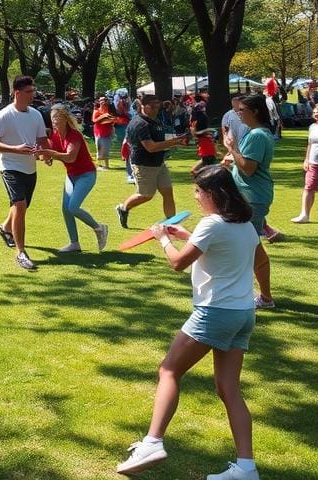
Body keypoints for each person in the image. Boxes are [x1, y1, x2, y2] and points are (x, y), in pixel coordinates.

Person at [116, 166, 261, 480]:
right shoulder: (244, 224)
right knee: (229, 389)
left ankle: (153, 443)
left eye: (198, 191)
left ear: (213, 194)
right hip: (243, 314)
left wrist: (161, 239)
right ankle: (246, 469)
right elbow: (231, 252)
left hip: (215, 313)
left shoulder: (211, 225)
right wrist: (184, 235)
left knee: (169, 370)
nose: (195, 197)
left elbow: (179, 263)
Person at [222, 94, 277, 309]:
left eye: (242, 110)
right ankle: (262, 296)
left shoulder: (256, 135)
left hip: (252, 198)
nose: (238, 114)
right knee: (249, 246)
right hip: (251, 196)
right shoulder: (258, 134)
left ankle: (264, 297)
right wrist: (233, 161)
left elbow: (249, 168)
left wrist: (232, 148)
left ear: (254, 112)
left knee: (250, 248)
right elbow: (244, 165)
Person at [0, 75, 48, 270]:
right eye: (29, 92)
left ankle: (5, 228)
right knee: (20, 205)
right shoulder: (4, 115)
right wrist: (16, 149)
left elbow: (42, 140)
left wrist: (45, 154)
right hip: (10, 166)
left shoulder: (36, 114)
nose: (33, 95)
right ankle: (21, 253)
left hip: (30, 168)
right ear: (17, 93)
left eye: (33, 91)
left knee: (22, 206)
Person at [38, 104, 108, 254]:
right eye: (52, 118)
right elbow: (51, 155)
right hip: (71, 176)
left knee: (73, 207)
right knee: (66, 209)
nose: (54, 121)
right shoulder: (56, 136)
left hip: (86, 174)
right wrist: (46, 157)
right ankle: (74, 243)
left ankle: (99, 228)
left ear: (65, 118)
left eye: (57, 117)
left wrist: (50, 153)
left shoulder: (74, 135)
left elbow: (70, 157)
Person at [115, 95, 184, 230]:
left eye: (157, 106)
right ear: (142, 106)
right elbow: (150, 147)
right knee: (146, 195)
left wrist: (177, 140)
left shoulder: (155, 121)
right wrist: (173, 142)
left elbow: (160, 139)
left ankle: (171, 224)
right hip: (143, 165)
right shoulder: (139, 124)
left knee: (168, 192)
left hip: (159, 163)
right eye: (152, 106)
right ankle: (123, 208)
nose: (156, 109)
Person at [190, 101, 218, 176]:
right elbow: (196, 133)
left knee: (197, 170)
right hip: (206, 145)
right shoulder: (203, 118)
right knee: (203, 169)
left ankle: (203, 182)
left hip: (205, 146)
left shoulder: (194, 120)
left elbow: (194, 133)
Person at [92, 95, 115, 170]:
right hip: (98, 133)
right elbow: (94, 120)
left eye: (105, 100)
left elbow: (113, 120)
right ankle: (100, 165)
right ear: (99, 102)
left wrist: (106, 118)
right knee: (99, 148)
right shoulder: (96, 111)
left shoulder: (110, 110)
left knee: (106, 149)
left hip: (108, 132)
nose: (103, 101)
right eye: (102, 100)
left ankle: (106, 165)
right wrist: (104, 117)